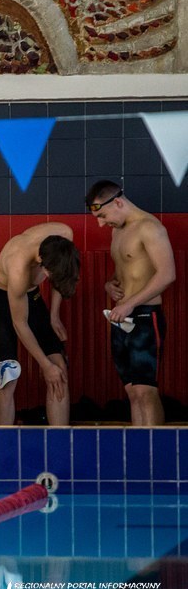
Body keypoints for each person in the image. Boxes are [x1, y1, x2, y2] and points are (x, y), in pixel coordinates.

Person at [87, 180, 175, 425]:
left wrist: (130, 304)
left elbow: (167, 274)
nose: (101, 224)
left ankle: (154, 446)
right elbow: (128, 269)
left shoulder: (150, 228)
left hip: (146, 317)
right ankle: (139, 447)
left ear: (117, 202)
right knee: (133, 393)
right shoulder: (118, 230)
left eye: (103, 216)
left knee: (146, 391)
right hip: (121, 318)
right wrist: (110, 284)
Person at [0, 223, 79, 426]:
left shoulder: (64, 235)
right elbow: (20, 324)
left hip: (33, 297)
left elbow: (60, 275)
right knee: (8, 375)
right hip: (3, 298)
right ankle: (2, 441)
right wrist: (45, 366)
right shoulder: (18, 267)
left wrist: (54, 315)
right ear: (41, 263)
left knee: (59, 369)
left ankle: (59, 439)